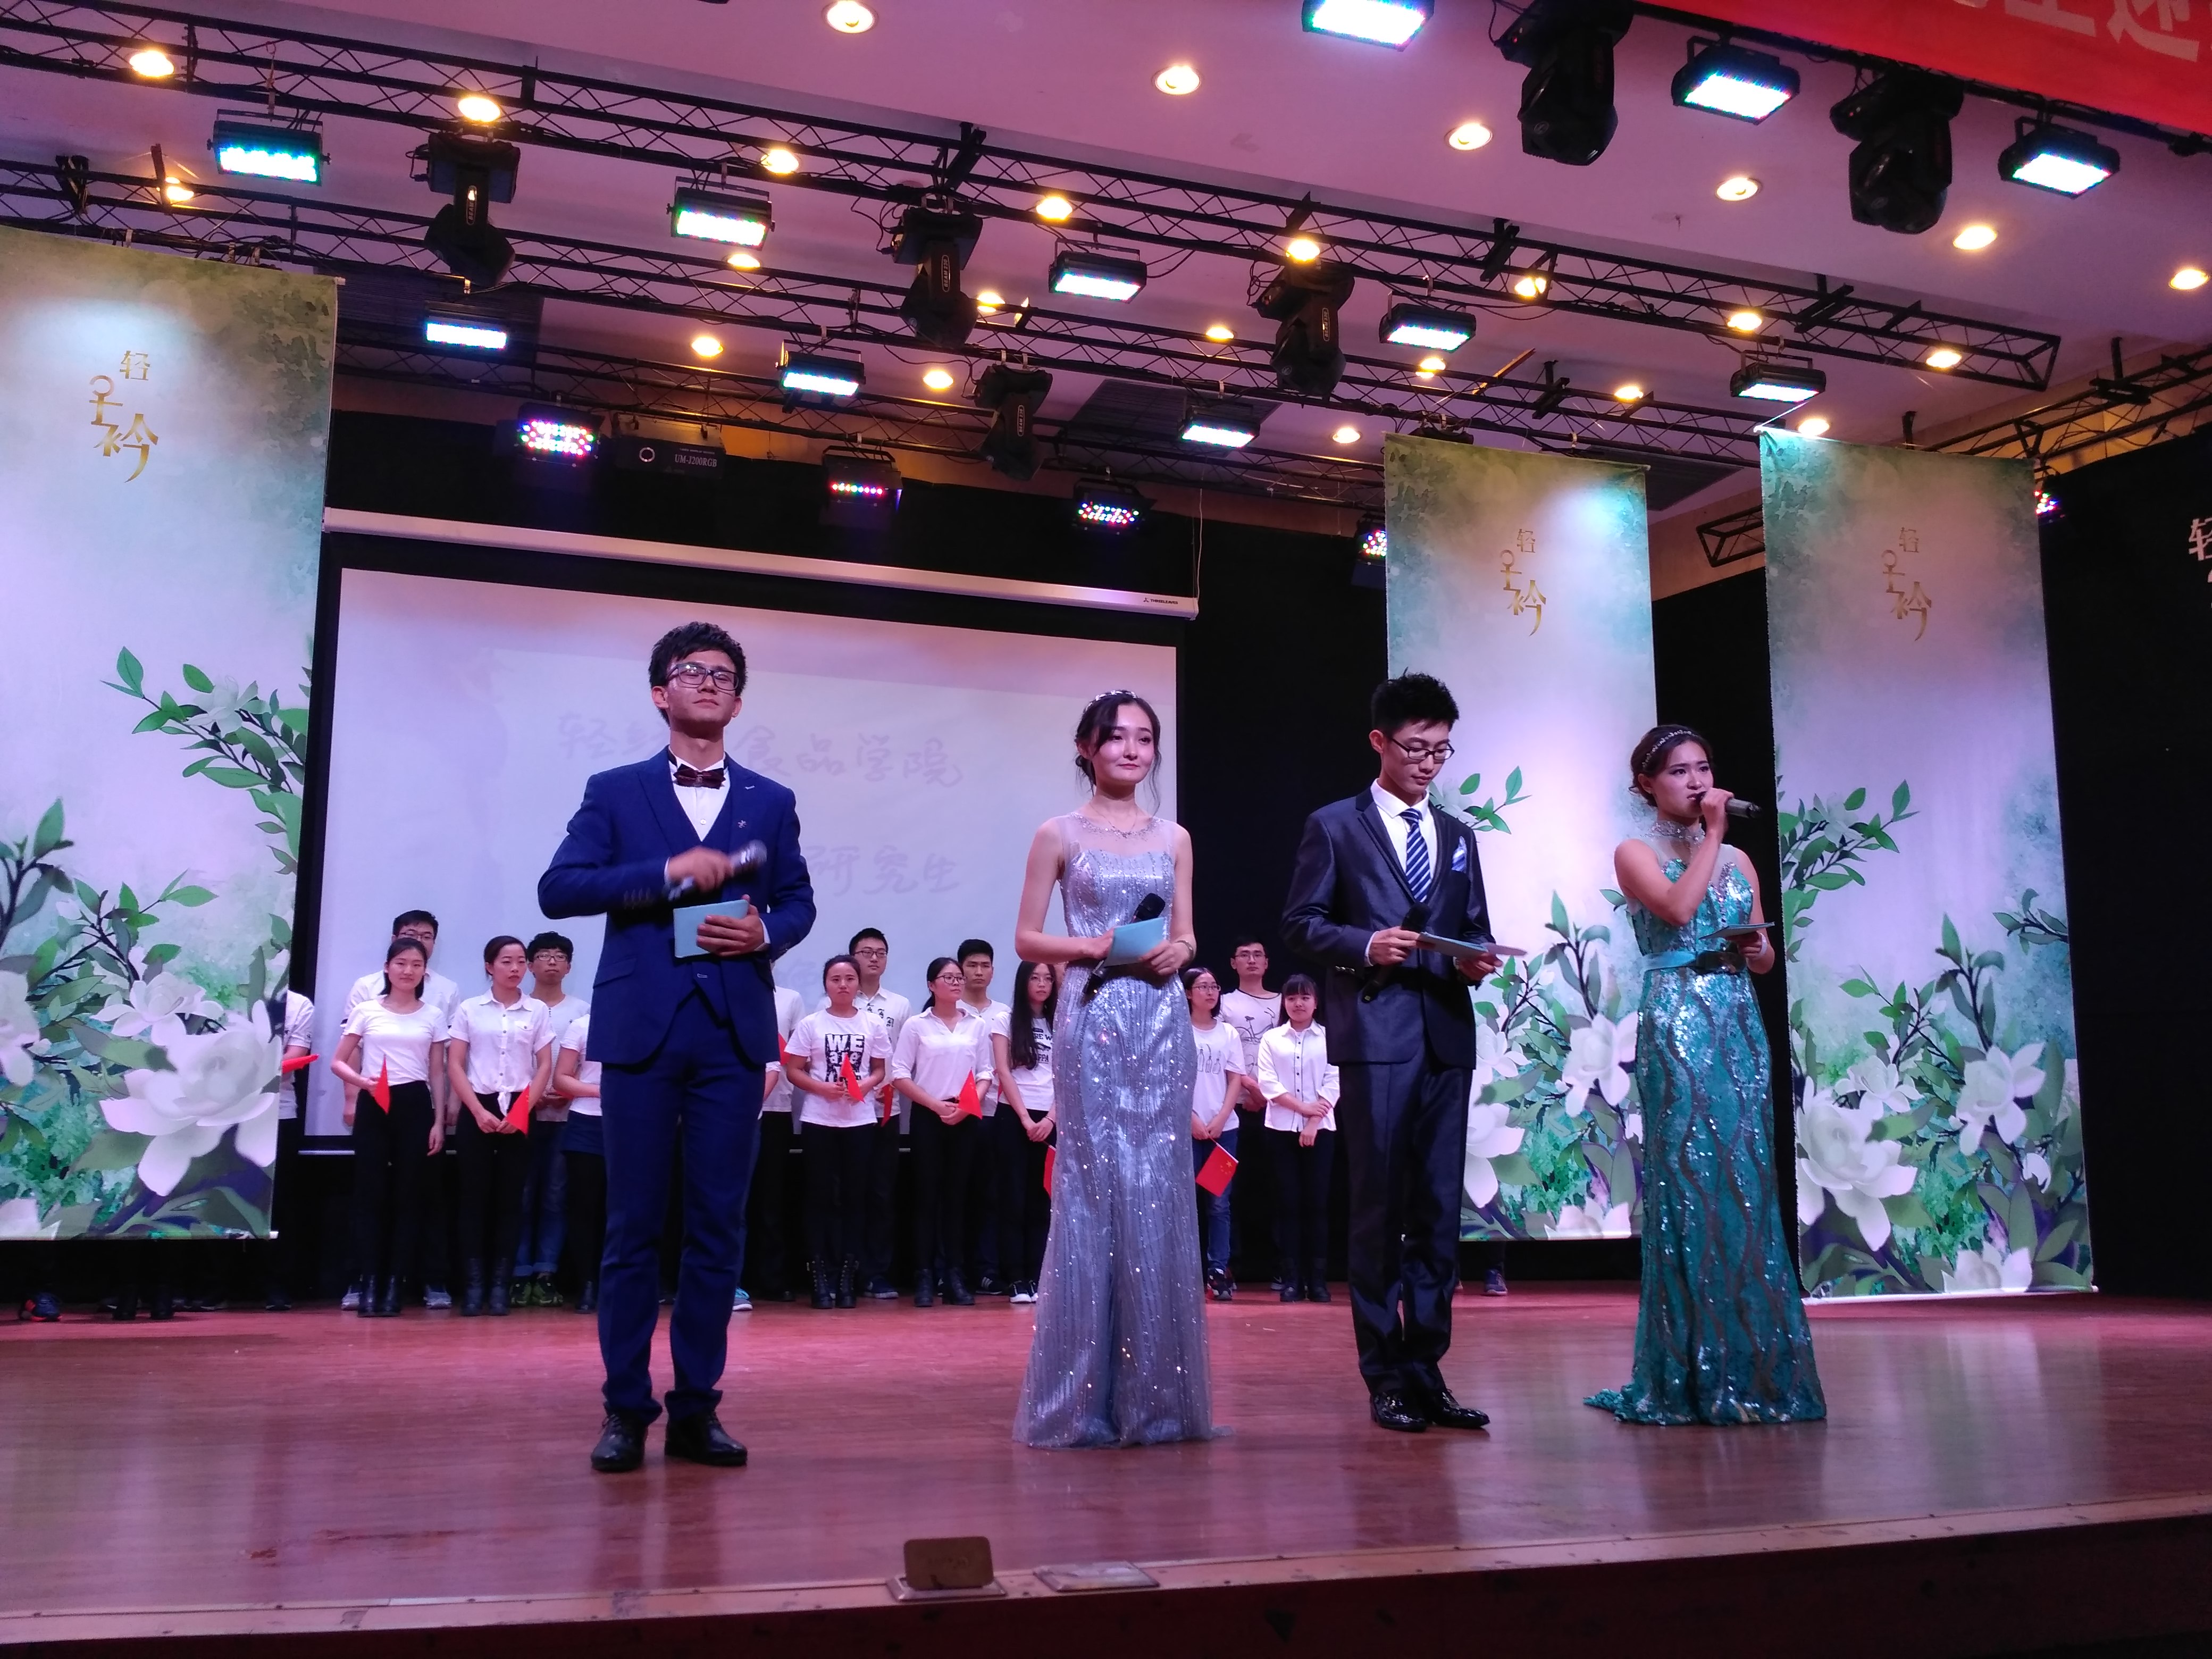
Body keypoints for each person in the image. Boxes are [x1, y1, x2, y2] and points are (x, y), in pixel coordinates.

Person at [539, 620, 816, 1474]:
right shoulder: (615, 790)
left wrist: (765, 931)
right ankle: (626, 1409)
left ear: (738, 700)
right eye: (690, 671)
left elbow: (799, 900)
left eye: (723, 674)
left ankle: (698, 1407)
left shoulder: (770, 799)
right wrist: (665, 875)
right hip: (642, 1029)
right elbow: (560, 889)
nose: (707, 682)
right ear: (661, 692)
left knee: (717, 1227)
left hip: (732, 1031)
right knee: (631, 1226)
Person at [1282, 672, 1502, 1436]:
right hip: (1376, 1036)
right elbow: (1301, 923)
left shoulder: (1460, 836)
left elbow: (1471, 926)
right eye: (1415, 748)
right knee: (1378, 1209)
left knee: (1439, 1212)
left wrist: (1476, 958)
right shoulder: (1334, 826)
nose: (1428, 763)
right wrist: (1365, 944)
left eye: (1440, 750)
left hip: (1446, 1035)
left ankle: (1426, 1368)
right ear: (1379, 742)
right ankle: (1383, 1374)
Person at [1588, 725, 1825, 1426]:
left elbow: (1765, 958)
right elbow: (1677, 910)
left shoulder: (1742, 860)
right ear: (1647, 785)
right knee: (1692, 1182)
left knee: (1745, 1184)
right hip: (1677, 1019)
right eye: (1678, 772)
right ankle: (1689, 1370)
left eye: (1703, 768)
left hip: (1737, 1018)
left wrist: (1754, 946)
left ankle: (1757, 1366)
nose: (1696, 782)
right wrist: (1713, 837)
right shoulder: (1635, 852)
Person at [1012, 690, 1211, 1449]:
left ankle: (1156, 1401)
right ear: (1086, 748)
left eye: (1144, 738)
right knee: (1093, 1190)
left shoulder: (1175, 836)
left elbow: (1188, 934)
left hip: (1161, 1018)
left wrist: (1179, 952)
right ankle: (1080, 1402)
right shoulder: (1057, 833)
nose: (1132, 750)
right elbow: (1028, 939)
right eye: (1117, 737)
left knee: (1159, 1189)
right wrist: (1091, 946)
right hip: (1091, 1015)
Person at [343, 911, 461, 1311]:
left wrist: (439, 1120)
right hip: (375, 1102)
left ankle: (396, 1284)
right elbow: (340, 1059)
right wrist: (358, 1087)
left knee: (411, 1196)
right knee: (370, 1194)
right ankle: (369, 1282)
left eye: (416, 964)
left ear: (426, 969)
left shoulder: (435, 1013)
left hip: (415, 1104)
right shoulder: (367, 1007)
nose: (408, 970)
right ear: (388, 966)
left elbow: (437, 1072)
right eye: (401, 963)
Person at [447, 936, 554, 1317]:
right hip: (479, 1106)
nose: (515, 968)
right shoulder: (470, 1009)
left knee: (511, 1201)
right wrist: (477, 1111)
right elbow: (455, 1064)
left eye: (521, 961)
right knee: (474, 1199)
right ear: (489, 966)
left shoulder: (537, 1010)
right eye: (506, 961)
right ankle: (474, 1286)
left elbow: (545, 1064)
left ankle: (499, 1286)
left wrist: (523, 1110)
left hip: (520, 1108)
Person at [784, 955, 891, 1309]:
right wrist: (822, 1089)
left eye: (849, 979)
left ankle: (847, 1279)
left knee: (855, 1198)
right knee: (818, 1197)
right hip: (819, 1120)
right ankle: (819, 1277)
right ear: (826, 985)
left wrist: (864, 1085)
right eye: (835, 979)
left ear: (858, 984)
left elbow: (880, 1070)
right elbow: (794, 1070)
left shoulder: (873, 1024)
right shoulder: (812, 1024)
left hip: (859, 1121)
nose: (843, 985)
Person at [891, 957, 992, 1307]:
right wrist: (935, 1106)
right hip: (928, 1115)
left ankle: (954, 1276)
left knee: (956, 1198)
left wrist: (967, 1106)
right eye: (948, 978)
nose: (956, 982)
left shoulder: (976, 1025)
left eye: (958, 977)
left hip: (965, 1115)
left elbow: (986, 1072)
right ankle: (923, 1275)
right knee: (926, 1197)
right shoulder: (917, 1025)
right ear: (931, 985)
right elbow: (899, 1073)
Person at [514, 932, 588, 1308]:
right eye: (544, 955)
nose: (552, 962)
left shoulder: (582, 1010)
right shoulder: (518, 1008)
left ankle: (546, 1274)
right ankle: (518, 1273)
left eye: (560, 956)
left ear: (570, 967)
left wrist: (568, 1091)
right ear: (530, 965)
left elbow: (589, 1064)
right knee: (523, 1195)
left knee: (557, 1196)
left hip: (567, 1115)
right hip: (522, 1114)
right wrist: (532, 1095)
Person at [1254, 975, 1338, 1304]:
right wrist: (1303, 1109)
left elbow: (1335, 1081)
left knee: (1317, 1206)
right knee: (1287, 1205)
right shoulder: (1271, 1039)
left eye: (1305, 997)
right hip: (1280, 1130)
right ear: (1284, 1003)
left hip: (1322, 1131)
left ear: (1316, 1003)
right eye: (1291, 998)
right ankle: (1291, 1281)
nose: (1298, 1003)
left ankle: (1318, 1282)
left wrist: (1313, 1121)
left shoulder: (1330, 1037)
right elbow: (1268, 1083)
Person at [843, 928, 912, 1300]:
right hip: (843, 1111)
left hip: (886, 1108)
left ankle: (877, 1272)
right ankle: (846, 1270)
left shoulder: (900, 1005)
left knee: (882, 1192)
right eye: (866, 952)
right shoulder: (833, 999)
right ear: (852, 957)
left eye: (880, 952)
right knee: (847, 1191)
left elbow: (904, 1057)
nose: (873, 958)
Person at [989, 960, 1059, 1304]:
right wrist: (1026, 1119)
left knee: (1042, 1201)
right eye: (1035, 978)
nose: (1042, 984)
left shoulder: (1061, 1022)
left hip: (1052, 1119)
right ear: (1022, 982)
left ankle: (1038, 1276)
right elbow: (1003, 1072)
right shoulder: (1005, 1020)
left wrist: (1051, 1120)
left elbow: (1068, 1076)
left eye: (1048, 978)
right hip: (1014, 1117)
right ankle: (1016, 1278)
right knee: (1013, 1199)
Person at [952, 939, 1016, 1296]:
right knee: (958, 1194)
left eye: (985, 965)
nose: (979, 972)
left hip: (997, 1114)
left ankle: (988, 1269)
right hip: (958, 1115)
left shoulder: (1006, 1013)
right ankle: (954, 1270)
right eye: (972, 965)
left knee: (992, 1195)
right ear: (960, 970)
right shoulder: (946, 1007)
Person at [1218, 934, 1281, 1290]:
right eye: (1245, 955)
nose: (1252, 960)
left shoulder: (1285, 1002)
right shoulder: (1225, 1004)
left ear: (1268, 962)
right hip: (1235, 1109)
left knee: (1278, 1188)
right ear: (1234, 963)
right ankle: (1228, 1264)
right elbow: (1223, 1053)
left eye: (1258, 954)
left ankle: (1282, 1265)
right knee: (1229, 1189)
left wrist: (1268, 1094)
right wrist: (1250, 1088)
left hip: (1279, 1109)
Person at [1184, 966, 1246, 1302]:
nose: (1210, 992)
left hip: (1224, 1132)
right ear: (1188, 993)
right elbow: (1171, 1081)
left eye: (1214, 986)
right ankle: (1184, 1270)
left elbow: (1235, 1078)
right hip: (1185, 1130)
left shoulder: (1229, 1033)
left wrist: (1222, 1117)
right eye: (1203, 986)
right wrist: (1190, 1118)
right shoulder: (1178, 1030)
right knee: (1185, 1202)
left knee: (1219, 1204)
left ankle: (1218, 1270)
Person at [747, 978, 806, 1304]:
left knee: (771, 1197)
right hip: (730, 1112)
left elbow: (800, 1056)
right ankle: (733, 1277)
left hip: (776, 1107)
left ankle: (771, 1277)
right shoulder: (726, 992)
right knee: (733, 1199)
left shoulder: (790, 998)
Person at [262, 985, 315, 1311]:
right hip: (220, 1108)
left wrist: (244, 1072)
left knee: (280, 1202)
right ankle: (212, 1285)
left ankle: (277, 1284)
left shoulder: (298, 1004)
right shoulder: (223, 990)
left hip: (278, 1112)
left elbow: (295, 1058)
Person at [552, 1011, 606, 1314]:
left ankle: (618, 1281)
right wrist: (601, 1091)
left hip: (634, 1123)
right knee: (584, 1207)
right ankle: (587, 1282)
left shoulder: (645, 1020)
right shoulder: (583, 1025)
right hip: (587, 1122)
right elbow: (561, 1078)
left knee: (625, 1208)